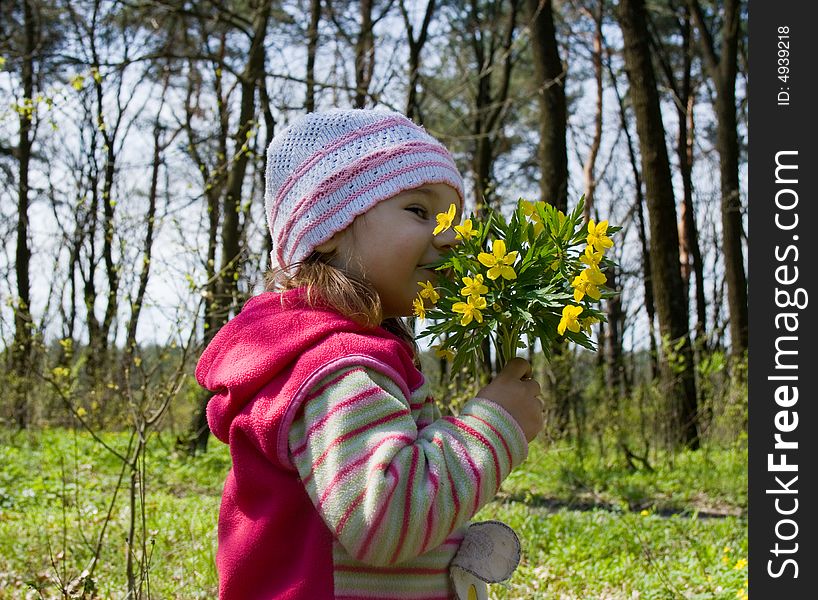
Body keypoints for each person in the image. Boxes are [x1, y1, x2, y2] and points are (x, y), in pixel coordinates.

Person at [196, 108, 544, 600]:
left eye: (453, 220)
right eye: (420, 211)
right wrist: (494, 426)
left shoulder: (338, 351)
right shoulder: (339, 365)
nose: (450, 237)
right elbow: (381, 518)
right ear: (330, 227)